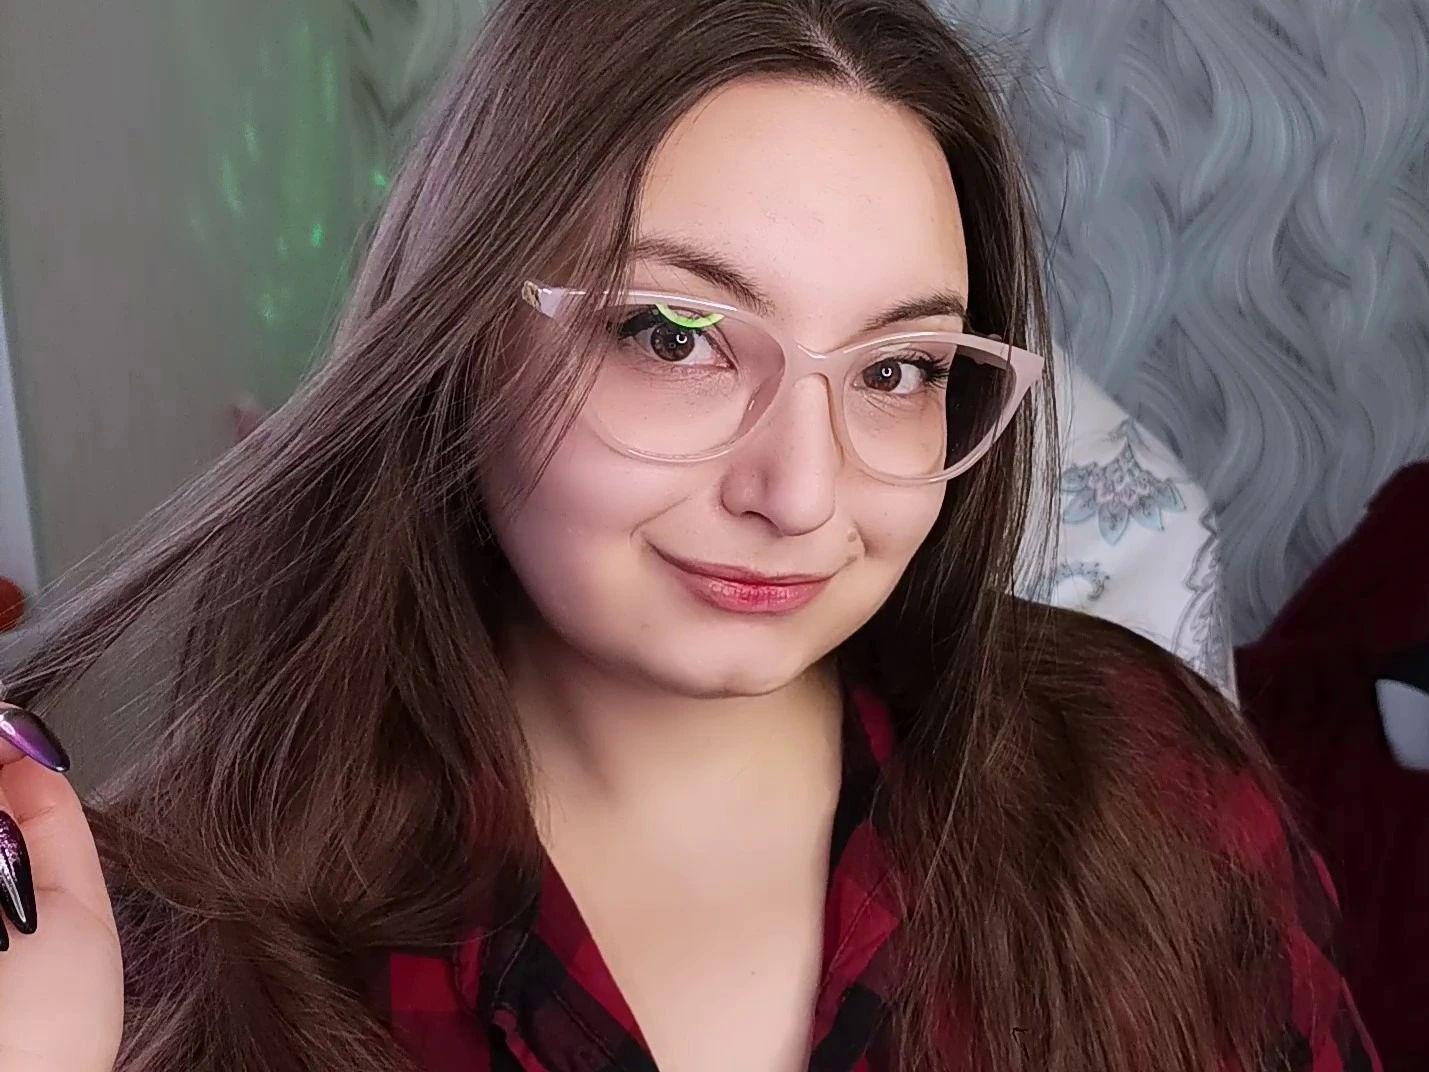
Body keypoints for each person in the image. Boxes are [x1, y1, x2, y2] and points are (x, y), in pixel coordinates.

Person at [0, 1, 1382, 1070]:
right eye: (675, 337)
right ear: (461, 340)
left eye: (897, 369)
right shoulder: (165, 955)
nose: (800, 493)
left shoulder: (1144, 776)